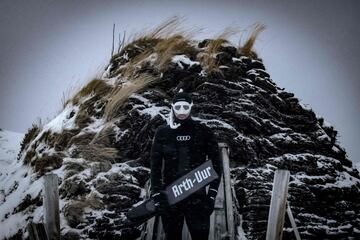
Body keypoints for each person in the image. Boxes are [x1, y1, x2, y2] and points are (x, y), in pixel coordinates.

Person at [149, 89, 222, 240]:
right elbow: (155, 166)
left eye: (185, 107)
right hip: (170, 198)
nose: (181, 111)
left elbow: (216, 165)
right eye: (178, 107)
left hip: (198, 198)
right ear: (172, 107)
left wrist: (211, 196)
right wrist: (156, 194)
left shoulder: (203, 131)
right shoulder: (163, 133)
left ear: (191, 106)